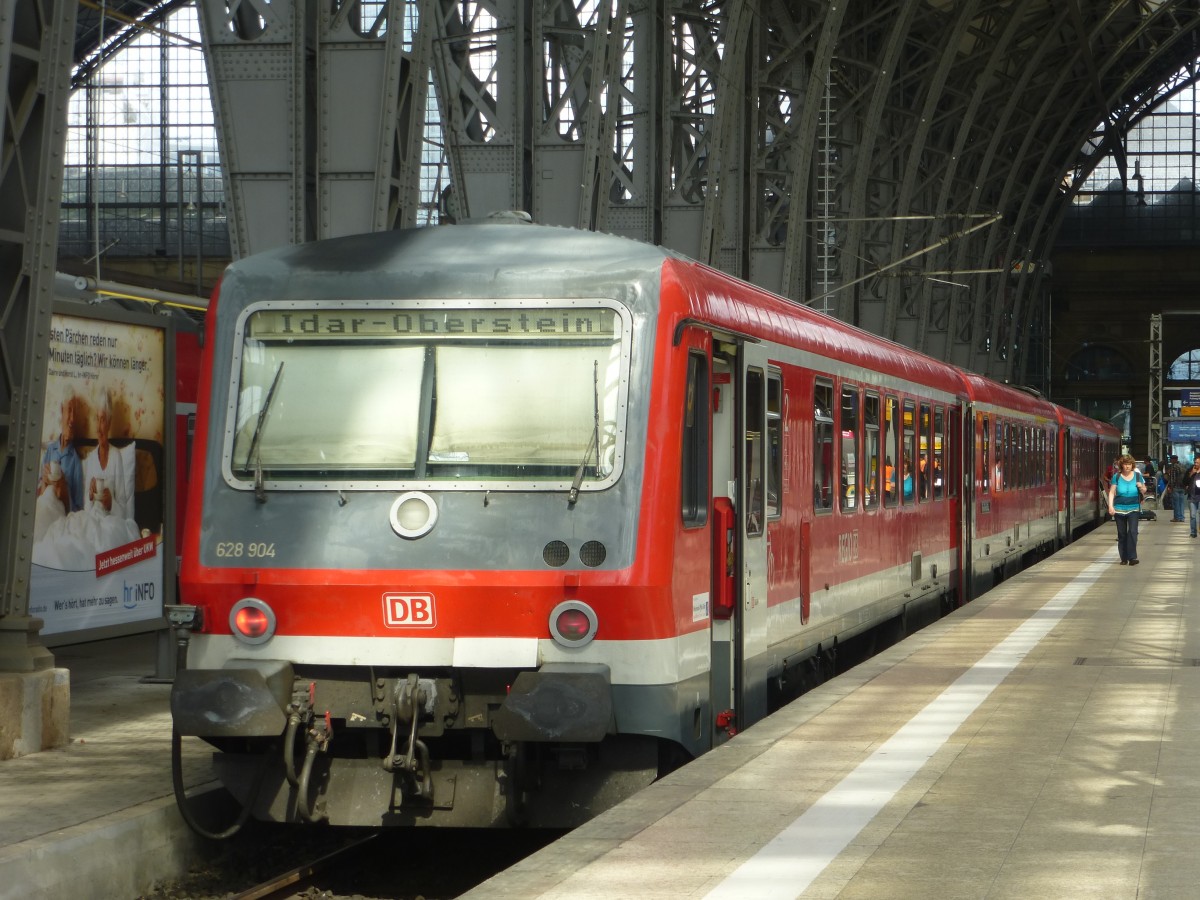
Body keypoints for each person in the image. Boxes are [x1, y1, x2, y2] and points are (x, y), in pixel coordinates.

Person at [36, 393, 83, 516]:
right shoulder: (50, 451)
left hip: (59, 515)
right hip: (43, 507)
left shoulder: (75, 461)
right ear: (62, 411)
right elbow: (36, 494)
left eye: (75, 414)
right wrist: (44, 484)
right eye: (70, 410)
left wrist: (64, 492)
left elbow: (78, 510)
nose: (72, 418)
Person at [83, 392, 125, 517]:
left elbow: (123, 509)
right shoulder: (90, 458)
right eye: (97, 419)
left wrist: (111, 504)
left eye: (103, 420)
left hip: (110, 523)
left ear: (109, 423)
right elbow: (86, 508)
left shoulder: (116, 456)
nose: (98, 428)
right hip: (91, 520)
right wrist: (90, 497)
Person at [1107, 454, 1147, 565]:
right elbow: (1111, 492)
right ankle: (1123, 557)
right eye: (1125, 464)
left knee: (1133, 532)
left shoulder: (1138, 476)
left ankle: (1132, 557)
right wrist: (1110, 506)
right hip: (1119, 509)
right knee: (1122, 534)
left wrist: (1141, 487)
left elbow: (1144, 490)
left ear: (1132, 465)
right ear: (1121, 465)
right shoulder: (1117, 477)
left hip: (1134, 508)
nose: (1127, 466)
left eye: (1129, 464)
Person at [1163, 454, 1185, 522]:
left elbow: (1173, 478)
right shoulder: (1182, 466)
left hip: (1175, 487)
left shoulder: (1173, 467)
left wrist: (1170, 487)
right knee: (1181, 503)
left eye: (1171, 459)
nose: (1170, 460)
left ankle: (1176, 517)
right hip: (1182, 487)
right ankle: (1181, 517)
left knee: (1176, 503)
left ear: (1173, 460)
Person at [1185, 458, 1200, 539]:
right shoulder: (1190, 470)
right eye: (1195, 462)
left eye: (1197, 463)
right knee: (1193, 515)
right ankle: (1193, 532)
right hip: (1192, 496)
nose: (1195, 464)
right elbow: (1184, 482)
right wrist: (1191, 474)